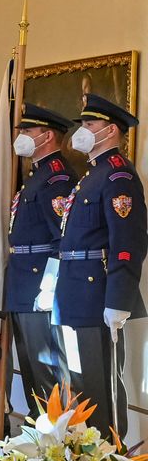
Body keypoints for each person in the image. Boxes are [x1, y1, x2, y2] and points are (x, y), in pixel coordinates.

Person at [51, 94, 144, 438]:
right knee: (78, 384)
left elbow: (128, 242)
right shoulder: (93, 174)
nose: (82, 130)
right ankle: (84, 458)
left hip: (97, 291)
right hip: (74, 289)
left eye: (89, 124)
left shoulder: (118, 175)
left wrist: (119, 298)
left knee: (100, 383)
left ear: (111, 130)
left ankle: (109, 458)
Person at [5, 103, 74, 415]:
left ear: (47, 136)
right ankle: (37, 428)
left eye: (27, 131)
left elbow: (61, 236)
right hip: (22, 279)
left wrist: (50, 284)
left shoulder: (56, 178)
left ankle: (52, 434)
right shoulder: (37, 175)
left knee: (45, 367)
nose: (21, 136)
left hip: (38, 280)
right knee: (31, 365)